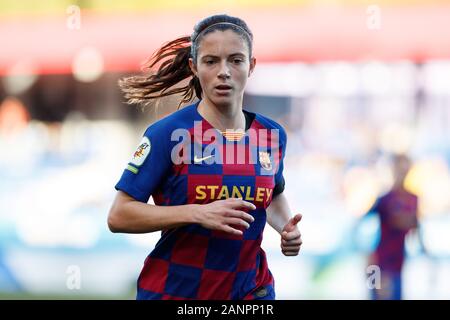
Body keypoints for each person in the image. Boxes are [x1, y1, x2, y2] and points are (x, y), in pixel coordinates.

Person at [108, 14, 302, 300]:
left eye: (236, 60)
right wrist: (197, 212)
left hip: (251, 291)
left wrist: (286, 228)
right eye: (211, 61)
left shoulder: (271, 134)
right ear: (194, 67)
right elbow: (119, 215)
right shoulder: (168, 134)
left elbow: (272, 195)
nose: (224, 71)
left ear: (251, 66)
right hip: (177, 292)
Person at [364, 154, 420, 300]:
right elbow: (363, 224)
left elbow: (415, 228)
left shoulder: (413, 199)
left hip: (397, 263)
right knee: (377, 295)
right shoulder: (384, 200)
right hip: (377, 263)